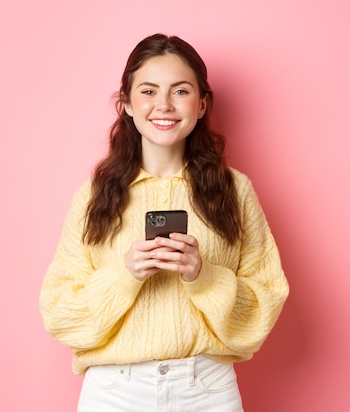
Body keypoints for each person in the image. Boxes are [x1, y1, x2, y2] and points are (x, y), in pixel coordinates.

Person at [39, 33, 289, 412]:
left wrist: (203, 276)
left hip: (207, 390)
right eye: (149, 91)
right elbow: (61, 314)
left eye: (181, 91)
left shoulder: (234, 190)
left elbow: (263, 307)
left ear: (202, 104)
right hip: (114, 392)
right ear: (126, 102)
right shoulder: (93, 194)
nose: (165, 106)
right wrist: (126, 274)